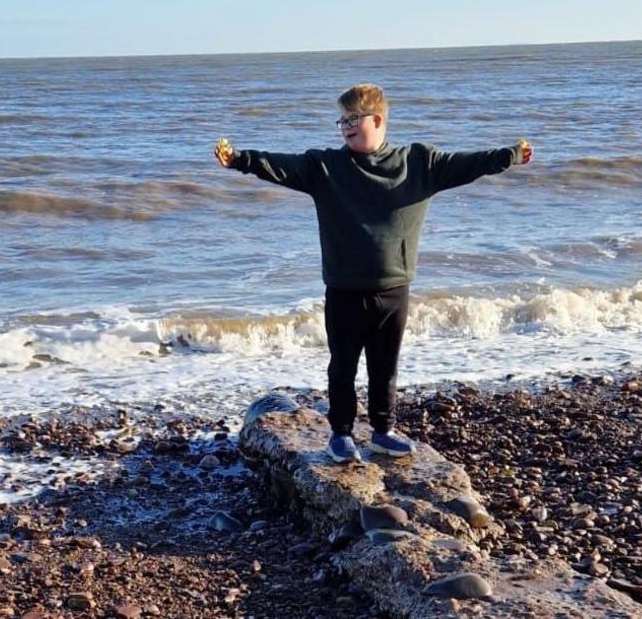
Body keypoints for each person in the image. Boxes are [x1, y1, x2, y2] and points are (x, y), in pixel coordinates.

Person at [214, 84, 532, 463]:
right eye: (341, 120)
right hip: (344, 289)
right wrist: (239, 159)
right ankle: (341, 435)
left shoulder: (418, 163)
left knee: (385, 367)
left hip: (394, 288)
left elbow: (468, 164)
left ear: (377, 119)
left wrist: (510, 155)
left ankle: (383, 432)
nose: (345, 126)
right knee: (343, 366)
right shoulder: (325, 167)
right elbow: (281, 165)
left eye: (353, 118)